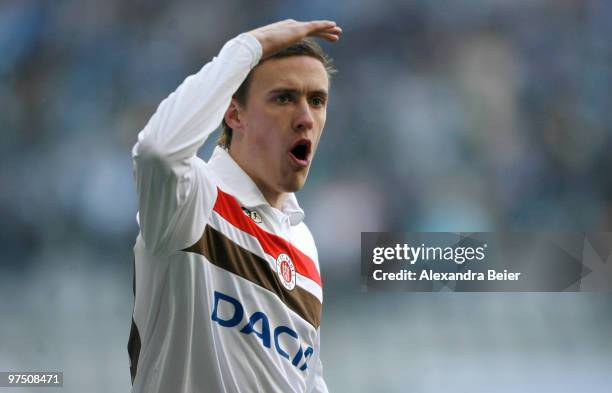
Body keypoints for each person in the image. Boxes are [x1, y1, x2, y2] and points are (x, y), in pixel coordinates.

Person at [128, 19, 342, 393]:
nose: (306, 118)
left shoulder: (302, 240)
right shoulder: (193, 199)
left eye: (317, 100)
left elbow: (307, 380)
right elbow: (157, 151)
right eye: (283, 98)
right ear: (234, 114)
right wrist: (248, 48)